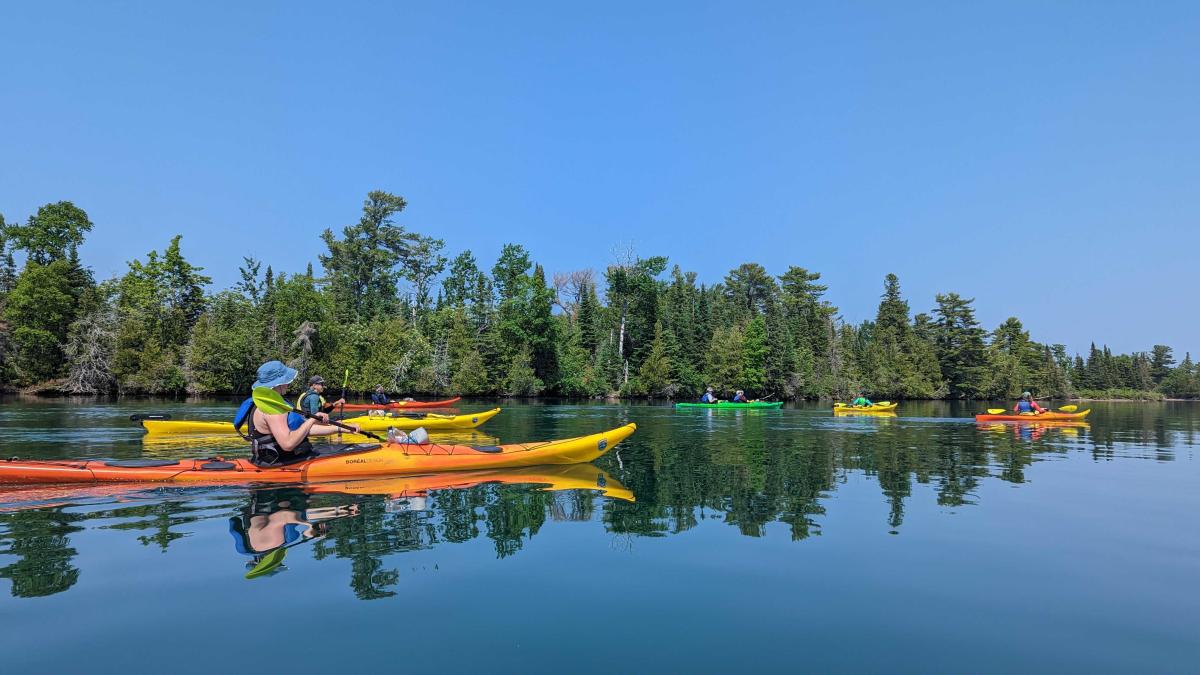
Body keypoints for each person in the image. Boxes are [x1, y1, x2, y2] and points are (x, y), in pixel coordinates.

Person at [235, 361, 358, 466]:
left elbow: (300, 430)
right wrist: (311, 420)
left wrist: (339, 428)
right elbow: (288, 444)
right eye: (286, 380)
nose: (288, 383)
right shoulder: (272, 409)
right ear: (278, 383)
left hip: (272, 460)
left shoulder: (264, 402)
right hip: (282, 463)